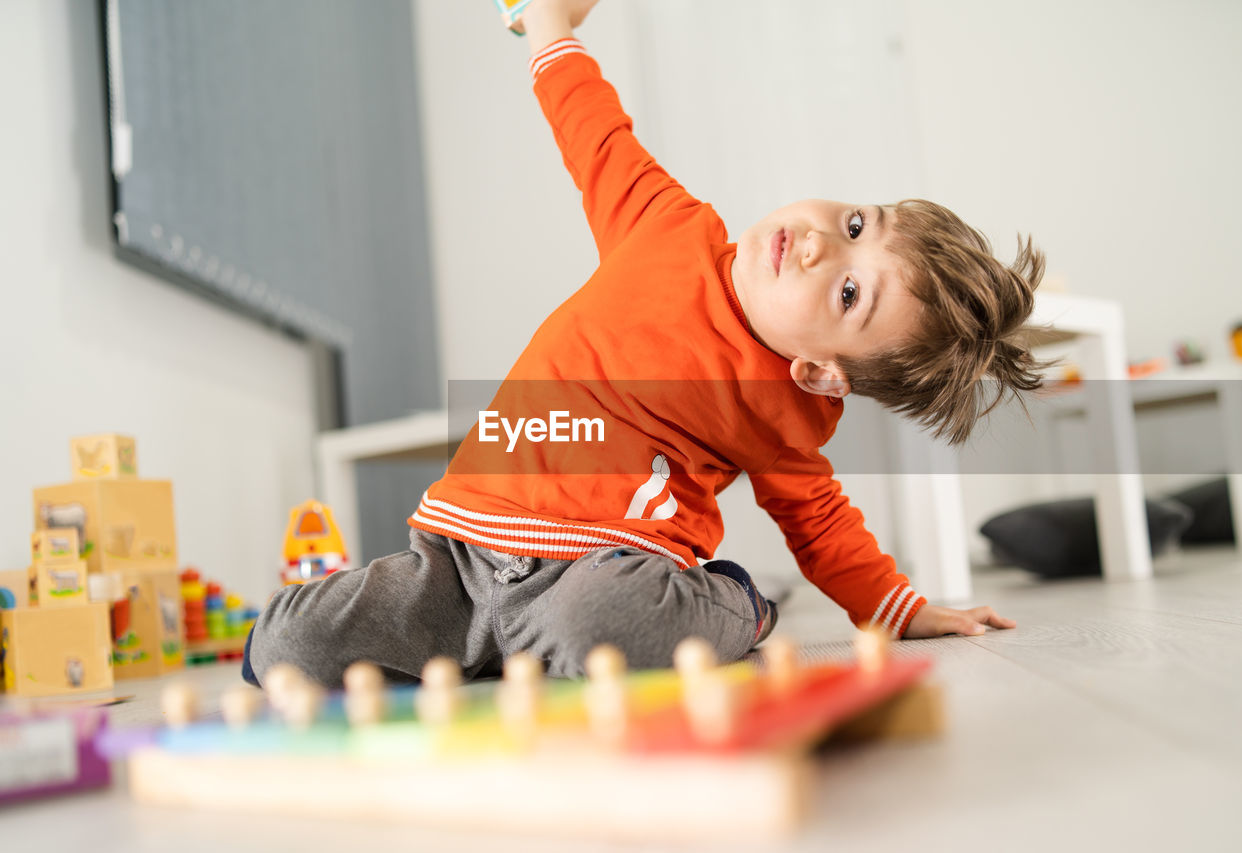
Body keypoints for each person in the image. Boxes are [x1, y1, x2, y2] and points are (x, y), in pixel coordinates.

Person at [244, 0, 1040, 688]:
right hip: (456, 560)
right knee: (287, 641)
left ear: (821, 371)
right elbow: (590, 128)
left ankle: (738, 602)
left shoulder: (786, 409)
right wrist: (546, 20)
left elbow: (821, 522)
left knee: (604, 620)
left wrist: (897, 607)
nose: (819, 244)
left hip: (602, 576)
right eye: (857, 224)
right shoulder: (669, 229)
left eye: (847, 291)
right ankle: (504, 648)